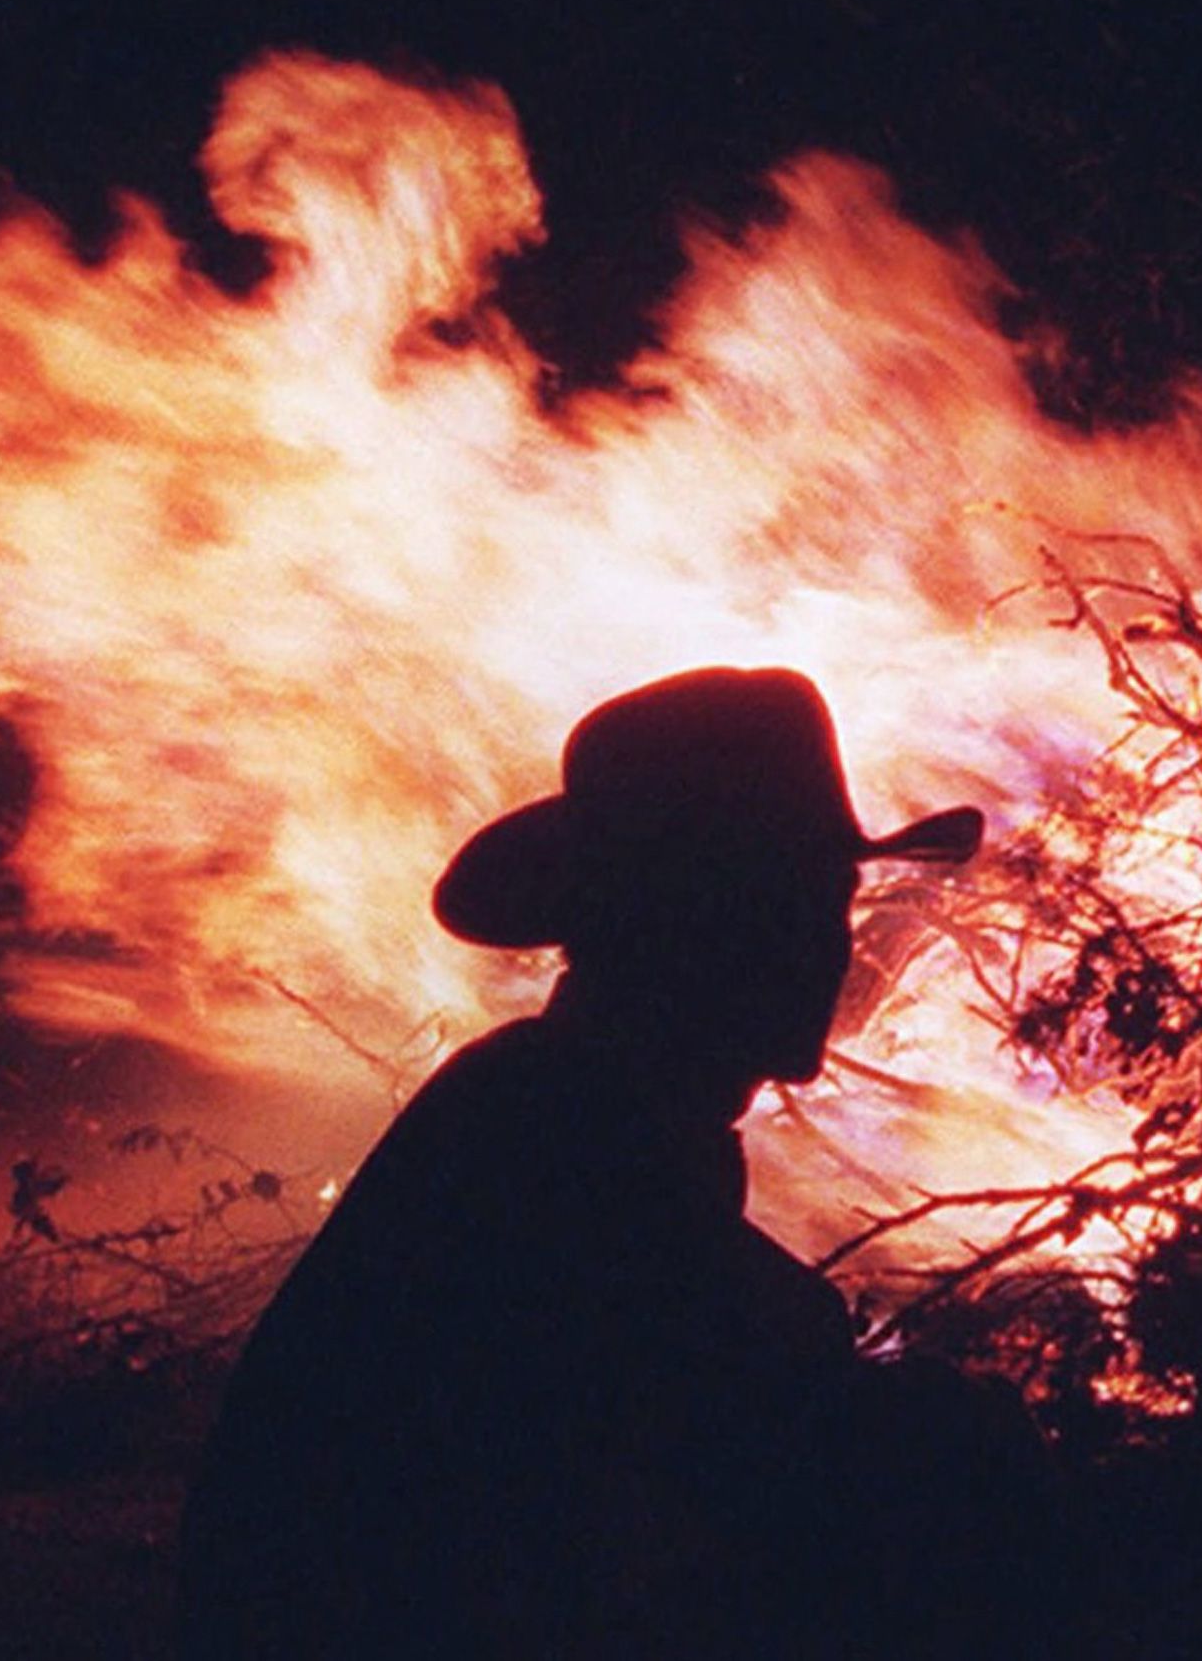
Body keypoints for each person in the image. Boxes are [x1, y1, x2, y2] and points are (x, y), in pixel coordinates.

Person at [178, 666, 1036, 1658]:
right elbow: (741, 1404)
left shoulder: (581, 1104)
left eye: (829, 899)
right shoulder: (554, 1134)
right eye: (780, 896)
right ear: (681, 922)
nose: (829, 944)